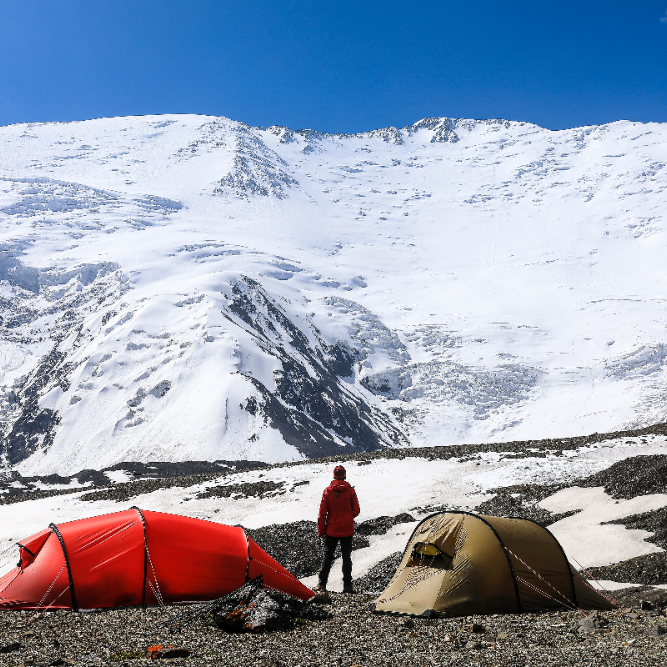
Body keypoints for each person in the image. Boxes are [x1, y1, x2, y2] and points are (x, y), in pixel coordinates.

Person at [314, 465, 360, 594]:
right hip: (347, 529)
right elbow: (356, 510)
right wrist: (347, 516)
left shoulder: (328, 491)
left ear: (334, 475)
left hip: (331, 530)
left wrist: (321, 530)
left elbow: (322, 514)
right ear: (344, 475)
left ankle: (321, 585)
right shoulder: (350, 491)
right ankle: (347, 586)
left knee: (328, 556)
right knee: (346, 556)